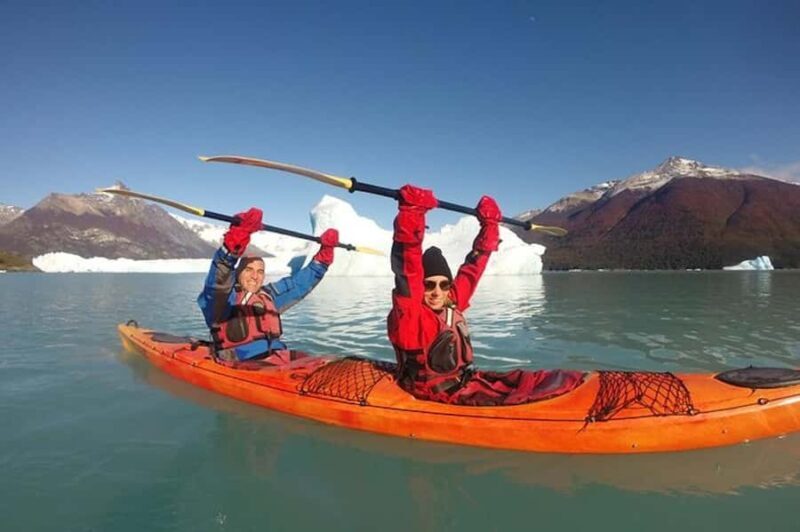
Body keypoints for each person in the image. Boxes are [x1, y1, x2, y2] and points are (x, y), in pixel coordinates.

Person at [387, 185, 585, 406]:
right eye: (429, 285)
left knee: (525, 381)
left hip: (462, 382)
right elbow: (407, 265)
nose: (437, 292)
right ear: (419, 287)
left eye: (444, 285)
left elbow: (473, 268)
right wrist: (411, 214)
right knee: (520, 398)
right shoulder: (412, 314)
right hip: (432, 394)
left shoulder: (451, 302)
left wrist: (489, 227)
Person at [198, 207, 339, 365]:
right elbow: (219, 277)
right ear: (238, 273)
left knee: (327, 362)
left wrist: (323, 258)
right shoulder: (222, 300)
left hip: (278, 357)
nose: (255, 276)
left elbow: (300, 284)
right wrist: (234, 242)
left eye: (260, 271)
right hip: (244, 365)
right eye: (249, 270)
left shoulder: (269, 297)